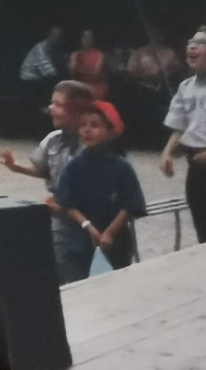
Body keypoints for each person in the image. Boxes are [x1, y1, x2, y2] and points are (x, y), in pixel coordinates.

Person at [0, 80, 95, 268]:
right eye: (52, 103)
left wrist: (66, 204)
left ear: (77, 110)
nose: (50, 108)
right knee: (61, 264)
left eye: (58, 104)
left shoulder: (90, 144)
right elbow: (43, 170)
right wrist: (16, 167)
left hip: (89, 216)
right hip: (60, 220)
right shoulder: (53, 140)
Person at [160, 26, 206, 243]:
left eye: (201, 43)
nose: (192, 46)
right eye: (191, 42)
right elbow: (180, 125)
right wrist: (167, 152)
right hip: (196, 167)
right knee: (203, 228)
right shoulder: (185, 87)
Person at [56, 101, 145, 283]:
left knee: (116, 285)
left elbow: (130, 203)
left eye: (95, 125)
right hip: (79, 240)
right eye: (83, 125)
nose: (87, 130)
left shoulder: (122, 167)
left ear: (111, 132)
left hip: (116, 241)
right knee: (77, 285)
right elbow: (67, 203)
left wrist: (110, 232)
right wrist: (87, 226)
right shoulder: (74, 167)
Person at [70, 29, 108, 101]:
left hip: (96, 87)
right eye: (85, 37)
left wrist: (80, 69)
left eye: (89, 38)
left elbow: (96, 73)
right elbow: (73, 74)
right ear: (81, 39)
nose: (87, 40)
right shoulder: (76, 55)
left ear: (93, 40)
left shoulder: (99, 55)